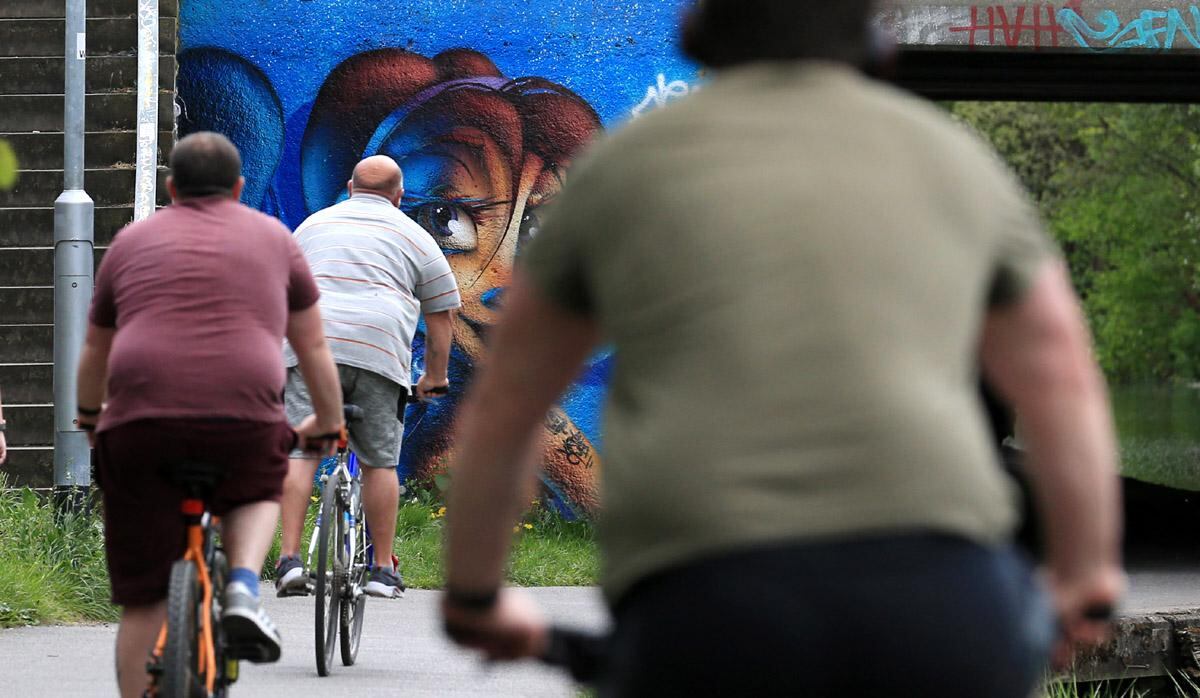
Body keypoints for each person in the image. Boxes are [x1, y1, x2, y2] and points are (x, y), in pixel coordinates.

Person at [438, 1, 1126, 696]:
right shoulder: (956, 162)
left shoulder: (622, 170)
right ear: (879, 44)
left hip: (710, 605)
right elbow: (1058, 379)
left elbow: (510, 399)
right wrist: (1086, 577)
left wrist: (475, 594)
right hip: (941, 598)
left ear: (696, 35)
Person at [76, 132, 345, 698]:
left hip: (140, 420)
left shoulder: (131, 241)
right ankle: (244, 585)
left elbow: (96, 347)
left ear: (172, 188)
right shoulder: (275, 238)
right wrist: (327, 418)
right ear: (240, 187)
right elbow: (314, 348)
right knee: (256, 484)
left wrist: (90, 416)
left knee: (145, 602)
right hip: (242, 414)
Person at [275, 154, 461, 599]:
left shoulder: (313, 226)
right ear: (399, 196)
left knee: (302, 454)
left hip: (310, 345)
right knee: (380, 462)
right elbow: (442, 316)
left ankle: (288, 561)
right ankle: (381, 569)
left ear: (349, 185)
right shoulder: (415, 236)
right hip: (378, 349)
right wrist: (434, 377)